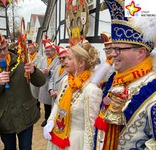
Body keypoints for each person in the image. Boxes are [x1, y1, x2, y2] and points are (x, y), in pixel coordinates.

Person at [95, 0, 156, 149]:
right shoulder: (119, 79)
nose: (113, 54)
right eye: (112, 49)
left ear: (141, 52)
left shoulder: (152, 89)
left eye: (119, 49)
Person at [0, 27, 46, 150]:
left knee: (26, 148)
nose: (3, 52)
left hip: (25, 115)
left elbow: (41, 82)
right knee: (9, 148)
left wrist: (34, 71)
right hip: (5, 120)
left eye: (4, 48)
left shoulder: (21, 61)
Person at [43, 39, 103, 150]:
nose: (65, 61)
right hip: (58, 136)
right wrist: (51, 121)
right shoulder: (66, 81)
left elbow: (90, 129)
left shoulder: (91, 90)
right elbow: (58, 103)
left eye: (69, 58)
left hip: (74, 143)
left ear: (81, 63)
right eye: (65, 58)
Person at [38, 38, 59, 127]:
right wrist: (41, 71)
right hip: (44, 84)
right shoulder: (43, 59)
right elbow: (38, 68)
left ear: (54, 50)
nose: (47, 53)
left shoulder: (58, 59)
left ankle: (53, 121)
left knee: (54, 105)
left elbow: (60, 71)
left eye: (48, 51)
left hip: (53, 86)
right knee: (46, 105)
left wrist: (50, 72)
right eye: (45, 51)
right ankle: (46, 119)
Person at [28, 40, 42, 109]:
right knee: (28, 96)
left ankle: (37, 109)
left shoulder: (40, 57)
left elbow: (39, 69)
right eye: (28, 48)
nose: (29, 49)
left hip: (35, 79)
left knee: (36, 96)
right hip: (27, 80)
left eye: (31, 48)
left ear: (35, 48)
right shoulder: (26, 56)